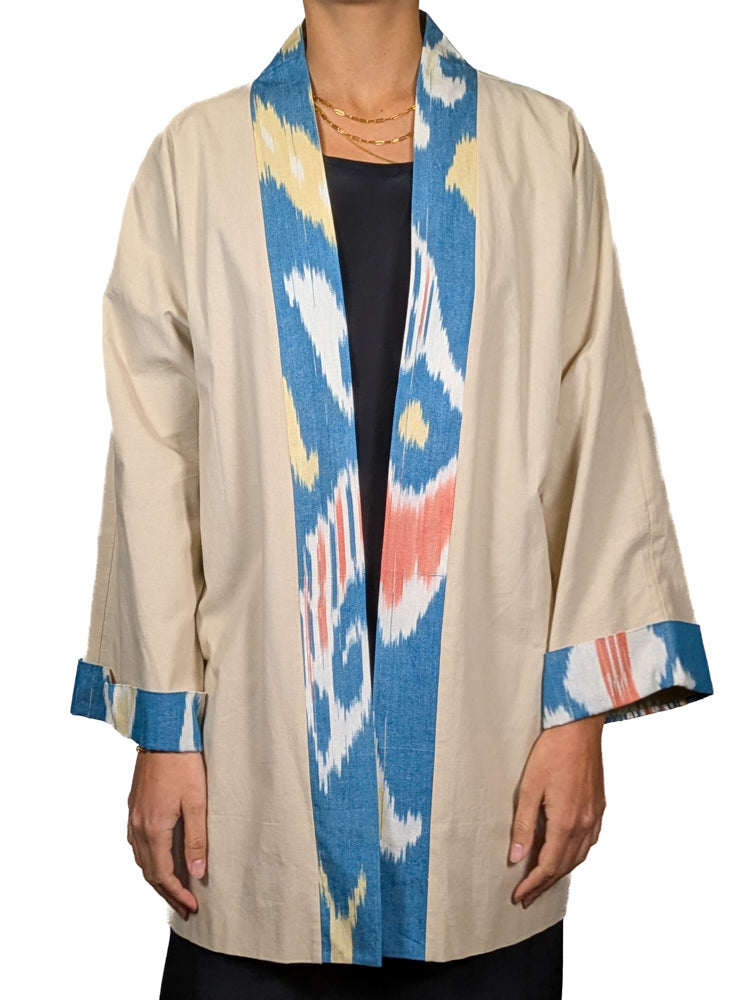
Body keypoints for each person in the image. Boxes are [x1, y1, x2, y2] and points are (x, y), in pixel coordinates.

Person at [69, 2, 714, 997]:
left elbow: (600, 429)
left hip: (487, 775)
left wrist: (578, 719)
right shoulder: (193, 161)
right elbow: (156, 465)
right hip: (254, 772)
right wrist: (165, 730)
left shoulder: (540, 149)